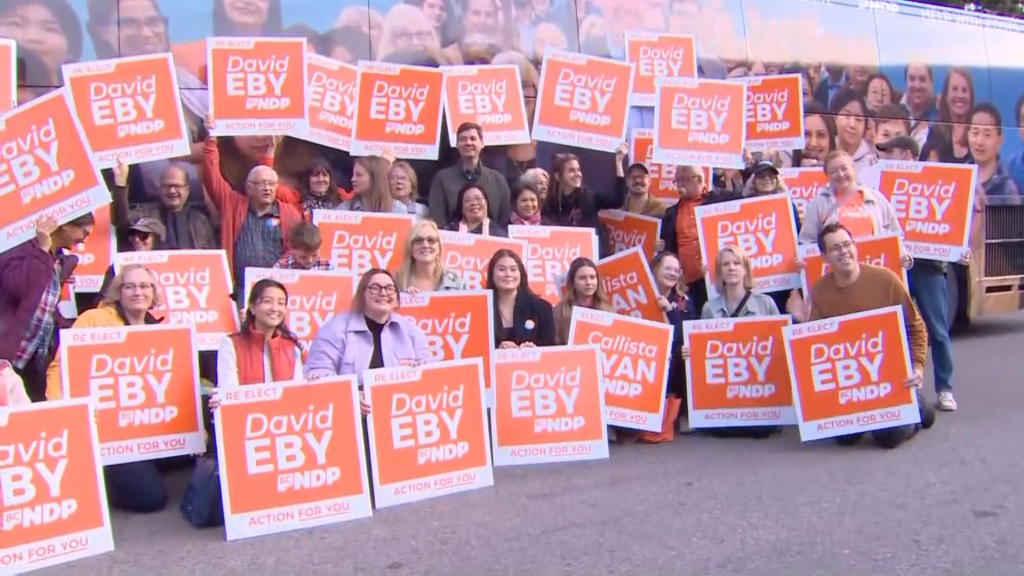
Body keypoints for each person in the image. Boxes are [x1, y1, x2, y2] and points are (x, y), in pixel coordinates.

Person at [792, 222, 936, 448]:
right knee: (844, 438)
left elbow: (916, 327)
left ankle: (917, 407)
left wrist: (917, 367)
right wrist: (802, 323)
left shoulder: (886, 280)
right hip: (851, 380)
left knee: (887, 438)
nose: (844, 252)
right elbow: (816, 347)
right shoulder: (819, 292)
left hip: (888, 374)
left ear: (855, 246)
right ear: (825, 257)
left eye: (847, 244)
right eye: (835, 248)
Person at [44, 264, 169, 513]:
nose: (138, 292)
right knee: (150, 499)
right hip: (106, 431)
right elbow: (60, 368)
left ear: (154, 293)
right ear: (118, 292)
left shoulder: (160, 330)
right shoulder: (93, 319)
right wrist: (63, 412)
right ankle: (93, 474)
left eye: (144, 286)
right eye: (129, 286)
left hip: (145, 427)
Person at [875, 134, 968, 411]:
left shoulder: (935, 179)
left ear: (905, 154)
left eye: (889, 151)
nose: (884, 157)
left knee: (937, 329)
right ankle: (901, 386)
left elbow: (953, 220)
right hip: (895, 267)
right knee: (895, 327)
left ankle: (945, 389)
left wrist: (960, 247)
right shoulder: (880, 186)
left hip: (928, 268)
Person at [680, 245, 782, 439]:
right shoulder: (710, 308)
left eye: (737, 263)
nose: (731, 268)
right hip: (725, 398)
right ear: (719, 272)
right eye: (726, 264)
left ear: (745, 269)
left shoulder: (765, 303)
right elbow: (704, 354)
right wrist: (691, 352)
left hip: (759, 393)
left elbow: (781, 347)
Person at [0, 215, 92, 402]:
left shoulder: (57, 262)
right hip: (8, 356)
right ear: (65, 225)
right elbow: (21, 289)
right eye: (84, 232)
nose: (84, 239)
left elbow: (45, 312)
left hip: (33, 361)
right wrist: (41, 250)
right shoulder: (20, 250)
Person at [305, 269, 431, 392]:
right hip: (351, 409)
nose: (383, 293)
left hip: (401, 405)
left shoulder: (411, 330)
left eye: (390, 288)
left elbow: (429, 372)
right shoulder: (334, 329)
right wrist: (352, 398)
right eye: (375, 288)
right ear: (362, 293)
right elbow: (318, 372)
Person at [660, 164, 740, 313]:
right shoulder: (671, 212)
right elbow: (669, 247)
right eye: (677, 180)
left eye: (684, 179)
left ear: (699, 180)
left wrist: (732, 173)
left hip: (715, 278)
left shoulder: (718, 200)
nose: (680, 184)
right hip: (686, 282)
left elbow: (741, 199)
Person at [637, 252, 699, 443]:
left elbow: (687, 333)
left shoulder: (684, 300)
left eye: (676, 270)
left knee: (684, 351)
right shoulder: (639, 294)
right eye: (668, 268)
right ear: (655, 270)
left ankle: (681, 413)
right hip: (643, 351)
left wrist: (671, 311)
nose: (673, 273)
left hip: (673, 353)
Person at [799, 149, 904, 245]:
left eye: (844, 168)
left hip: (873, 263)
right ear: (827, 175)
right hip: (837, 264)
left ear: (853, 168)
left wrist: (905, 257)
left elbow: (898, 237)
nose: (840, 174)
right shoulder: (818, 204)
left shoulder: (877, 199)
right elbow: (807, 241)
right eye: (833, 171)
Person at [215, 279, 304, 389]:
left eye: (281, 303)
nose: (275, 308)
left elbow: (297, 391)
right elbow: (229, 392)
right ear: (252, 307)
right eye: (267, 301)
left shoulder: (291, 348)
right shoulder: (230, 344)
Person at [110, 159, 217, 250]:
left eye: (177, 186)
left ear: (187, 190)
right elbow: (121, 220)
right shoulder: (145, 213)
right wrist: (120, 185)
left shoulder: (201, 221)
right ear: (160, 189)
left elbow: (213, 259)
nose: (172, 191)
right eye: (167, 186)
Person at [542, 147, 628, 257]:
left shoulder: (589, 196)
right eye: (571, 170)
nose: (577, 174)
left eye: (578, 170)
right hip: (565, 255)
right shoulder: (550, 203)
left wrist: (619, 162)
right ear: (558, 176)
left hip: (593, 256)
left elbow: (618, 201)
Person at [428, 122, 512, 225]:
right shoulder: (442, 179)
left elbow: (505, 219)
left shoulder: (498, 180)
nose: (468, 143)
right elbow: (437, 219)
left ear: (482, 143)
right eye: (463, 139)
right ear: (457, 145)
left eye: (473, 139)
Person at [487, 249, 555, 348]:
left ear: (521, 274)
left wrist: (536, 351)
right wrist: (497, 351)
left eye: (513, 269)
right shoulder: (480, 310)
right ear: (492, 275)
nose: (508, 274)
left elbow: (551, 349)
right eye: (502, 269)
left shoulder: (542, 308)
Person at [98, 216, 167, 295]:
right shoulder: (119, 264)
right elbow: (103, 297)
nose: (136, 240)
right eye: (133, 236)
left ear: (158, 239)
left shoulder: (174, 262)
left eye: (143, 236)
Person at [394, 220, 467, 293]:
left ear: (438, 248)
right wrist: (403, 298)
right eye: (419, 240)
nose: (425, 245)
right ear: (411, 247)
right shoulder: (396, 281)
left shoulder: (457, 282)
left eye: (431, 240)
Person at [553, 257, 612, 345]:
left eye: (592, 277)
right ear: (573, 283)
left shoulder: (608, 309)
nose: (588, 282)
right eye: (582, 278)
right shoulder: (560, 311)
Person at [341, 156, 409, 214]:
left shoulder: (398, 210)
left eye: (359, 175)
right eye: (353, 175)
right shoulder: (344, 209)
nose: (353, 179)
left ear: (375, 178)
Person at [443, 183, 509, 237]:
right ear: (461, 208)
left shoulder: (500, 236)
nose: (474, 203)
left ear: (487, 204)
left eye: (478, 198)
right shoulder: (449, 233)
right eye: (468, 200)